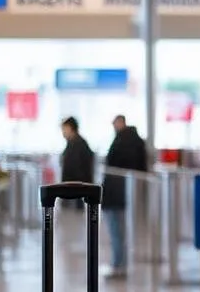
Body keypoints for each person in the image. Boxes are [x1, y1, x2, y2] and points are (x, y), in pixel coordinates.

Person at [102, 115, 147, 278]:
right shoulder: (138, 141)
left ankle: (118, 263)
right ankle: (121, 262)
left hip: (115, 192)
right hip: (130, 192)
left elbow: (112, 165)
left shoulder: (121, 141)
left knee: (116, 229)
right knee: (123, 229)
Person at [60, 116, 95, 186]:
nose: (63, 133)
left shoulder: (79, 144)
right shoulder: (72, 143)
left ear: (70, 128)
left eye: (64, 129)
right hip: (72, 186)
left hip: (77, 188)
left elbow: (76, 170)